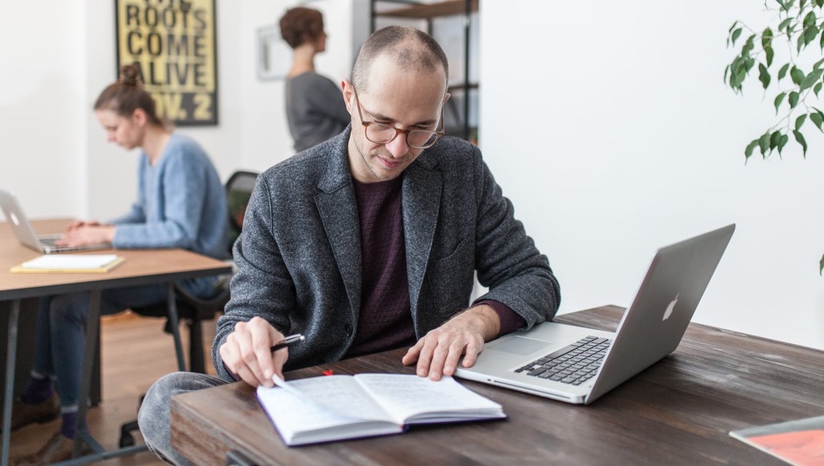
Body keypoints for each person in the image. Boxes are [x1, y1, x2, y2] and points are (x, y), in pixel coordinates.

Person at [137, 26, 561, 465]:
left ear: (442, 108)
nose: (398, 148)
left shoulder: (460, 169)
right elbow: (241, 321)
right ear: (349, 97)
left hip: (423, 390)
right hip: (312, 388)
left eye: (420, 128)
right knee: (166, 399)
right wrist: (243, 345)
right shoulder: (281, 190)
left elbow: (533, 277)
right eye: (380, 124)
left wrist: (474, 322)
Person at [0, 64, 229, 466]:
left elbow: (178, 231)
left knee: (69, 305)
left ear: (138, 118)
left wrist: (106, 236)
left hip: (191, 276)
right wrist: (104, 225)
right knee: (54, 288)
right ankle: (41, 396)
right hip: (165, 266)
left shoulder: (180, 154)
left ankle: (70, 432)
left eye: (112, 129)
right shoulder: (150, 155)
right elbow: (143, 213)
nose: (110, 138)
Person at [281, 6, 350, 152]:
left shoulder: (291, 81)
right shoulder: (314, 83)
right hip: (329, 162)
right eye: (322, 29)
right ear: (307, 36)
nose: (326, 35)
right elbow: (356, 116)